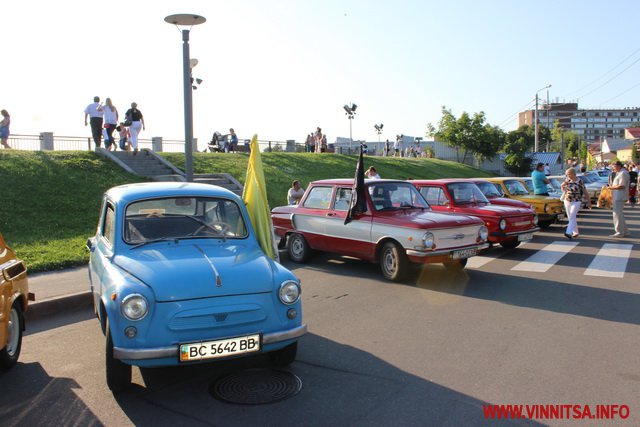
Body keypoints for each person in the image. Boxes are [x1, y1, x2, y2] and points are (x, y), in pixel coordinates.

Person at [560, 168, 590, 239]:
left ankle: (568, 232)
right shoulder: (567, 180)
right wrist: (562, 185)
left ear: (574, 174)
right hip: (567, 200)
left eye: (569, 174)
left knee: (573, 215)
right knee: (571, 217)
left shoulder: (580, 181)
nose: (568, 176)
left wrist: (589, 201)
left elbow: (585, 191)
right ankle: (575, 232)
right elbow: (564, 190)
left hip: (576, 201)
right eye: (567, 174)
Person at [609, 160, 630, 237]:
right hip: (617, 196)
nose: (613, 168)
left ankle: (620, 232)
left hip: (619, 196)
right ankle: (625, 230)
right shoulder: (620, 173)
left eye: (614, 167)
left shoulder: (623, 173)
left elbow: (622, 185)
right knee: (619, 213)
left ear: (618, 166)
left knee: (617, 214)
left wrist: (611, 188)